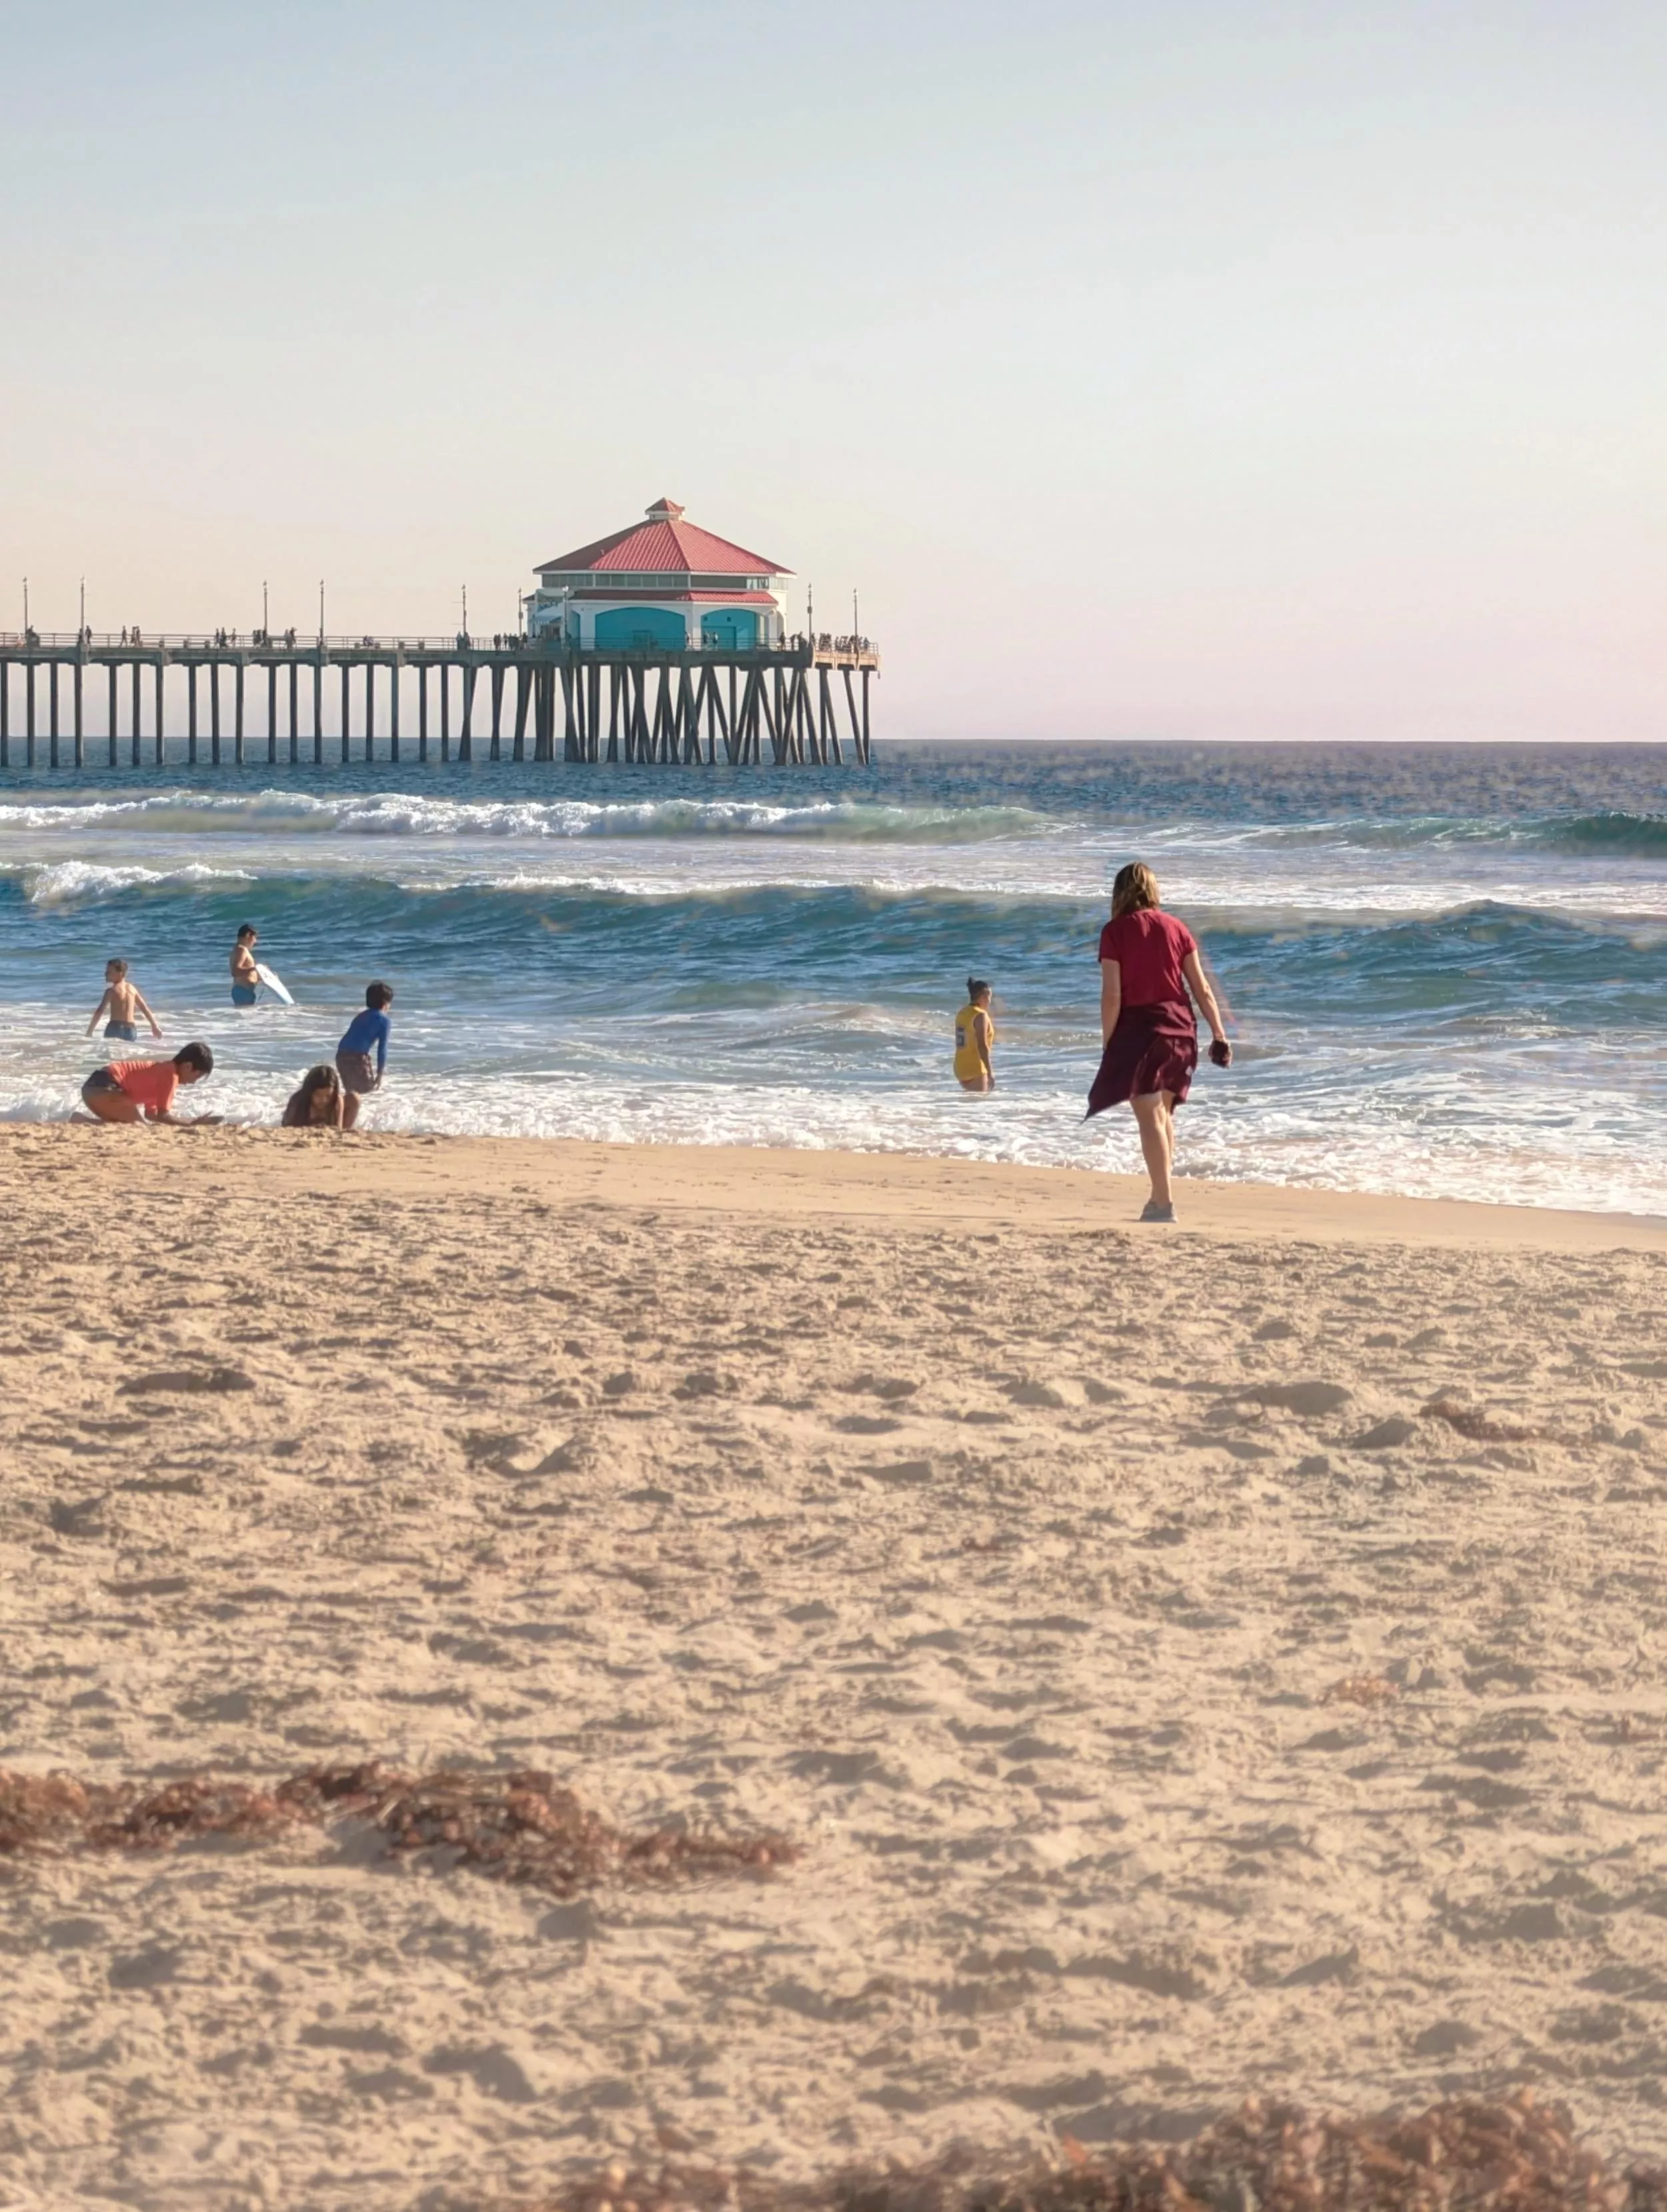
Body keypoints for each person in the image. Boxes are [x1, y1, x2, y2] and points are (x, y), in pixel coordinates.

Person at [1087, 861, 1230, 1223]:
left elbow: (1112, 996)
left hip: (1140, 1030)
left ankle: (1165, 1204)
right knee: (1164, 1112)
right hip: (1181, 1029)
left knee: (1149, 1114)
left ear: (1119, 893)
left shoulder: (1115, 932)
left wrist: (1109, 1043)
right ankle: (1158, 1197)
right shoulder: (1178, 928)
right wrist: (1218, 1033)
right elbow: (1202, 989)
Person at [80, 1042, 217, 1126]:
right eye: (197, 1076)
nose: (194, 1082)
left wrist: (193, 1120)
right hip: (105, 1086)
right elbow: (164, 1116)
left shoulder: (163, 1071)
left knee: (123, 1126)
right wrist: (192, 1124)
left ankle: (80, 1120)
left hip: (92, 1089)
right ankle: (79, 1120)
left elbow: (152, 1115)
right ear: (187, 1066)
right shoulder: (170, 1075)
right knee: (138, 1126)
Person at [335, 980, 394, 1130]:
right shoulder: (384, 1020)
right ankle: (351, 1124)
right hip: (356, 1057)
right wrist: (380, 1074)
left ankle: (343, 1121)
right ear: (385, 1003)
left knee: (352, 1092)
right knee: (367, 1091)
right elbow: (382, 1048)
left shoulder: (361, 1016)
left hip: (341, 1055)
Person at [87, 958, 161, 1044]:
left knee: (111, 1056)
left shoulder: (111, 991)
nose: (106, 974)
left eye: (109, 971)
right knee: (127, 1056)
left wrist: (90, 1031)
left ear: (120, 974)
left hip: (115, 1028)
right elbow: (144, 1008)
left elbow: (100, 1011)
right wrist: (154, 1026)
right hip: (131, 1030)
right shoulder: (132, 989)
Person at [953, 978, 996, 1093]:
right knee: (980, 1106)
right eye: (990, 997)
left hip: (960, 1067)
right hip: (975, 1068)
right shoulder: (981, 1015)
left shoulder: (963, 1013)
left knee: (970, 1106)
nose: (990, 1001)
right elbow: (982, 1046)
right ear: (984, 997)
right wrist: (990, 1072)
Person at [282, 1064, 345, 1129]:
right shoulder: (297, 1100)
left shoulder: (336, 1100)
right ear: (309, 1092)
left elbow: (337, 1129)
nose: (323, 1100)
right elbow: (287, 1127)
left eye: (328, 1096)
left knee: (354, 1098)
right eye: (318, 1095)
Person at [231, 924, 261, 1007]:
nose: (255, 941)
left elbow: (246, 973)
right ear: (248, 935)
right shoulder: (241, 950)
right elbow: (235, 971)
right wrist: (254, 969)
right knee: (248, 1018)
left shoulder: (238, 949)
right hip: (243, 992)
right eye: (255, 938)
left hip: (243, 991)